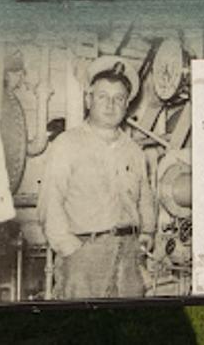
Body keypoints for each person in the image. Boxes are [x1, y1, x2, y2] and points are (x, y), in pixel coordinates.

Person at [37, 56, 156, 300]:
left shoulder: (133, 150)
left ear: (127, 105)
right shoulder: (67, 144)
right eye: (102, 96)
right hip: (84, 256)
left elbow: (144, 198)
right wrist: (71, 250)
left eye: (119, 98)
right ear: (88, 99)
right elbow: (50, 202)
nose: (111, 105)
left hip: (130, 256)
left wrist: (145, 238)